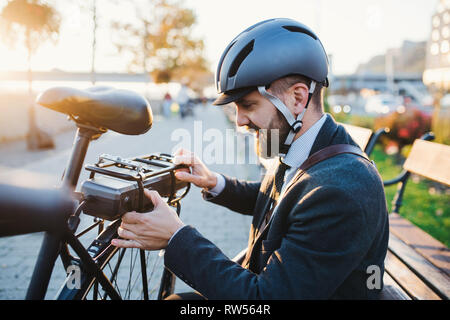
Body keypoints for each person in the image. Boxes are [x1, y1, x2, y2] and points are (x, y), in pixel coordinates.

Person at [112, 18, 389, 300]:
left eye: (248, 105)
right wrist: (214, 182)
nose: (240, 121)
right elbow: (280, 200)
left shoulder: (340, 190)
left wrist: (175, 237)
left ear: (297, 99)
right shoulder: (307, 148)